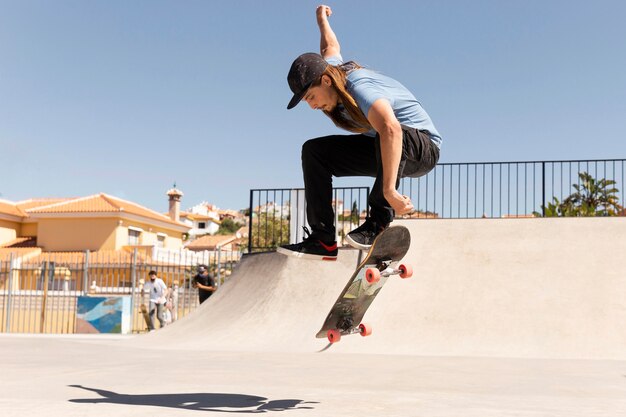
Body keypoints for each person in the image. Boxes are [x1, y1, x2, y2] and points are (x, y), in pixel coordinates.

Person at [278, 5, 442, 260]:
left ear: (326, 81)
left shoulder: (359, 87)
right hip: (385, 147)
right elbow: (329, 49)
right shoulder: (330, 68)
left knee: (384, 131)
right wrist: (321, 20)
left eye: (311, 97)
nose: (312, 106)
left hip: (422, 149)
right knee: (314, 151)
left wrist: (389, 191)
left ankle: (377, 223)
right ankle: (322, 240)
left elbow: (391, 128)